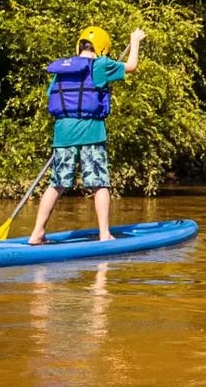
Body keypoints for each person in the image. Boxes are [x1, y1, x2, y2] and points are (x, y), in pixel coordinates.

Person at [28, 25, 146, 244]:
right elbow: (131, 66)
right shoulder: (101, 64)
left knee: (57, 183)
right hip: (91, 132)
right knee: (100, 183)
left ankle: (37, 233)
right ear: (102, 47)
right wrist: (135, 41)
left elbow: (52, 95)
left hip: (63, 133)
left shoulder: (63, 69)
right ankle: (104, 234)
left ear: (79, 45)